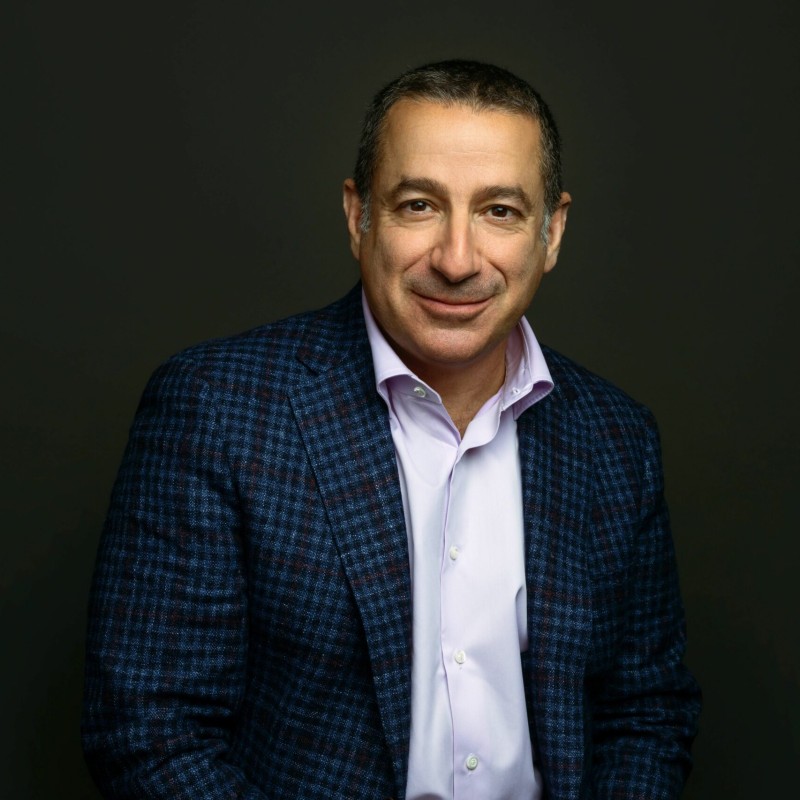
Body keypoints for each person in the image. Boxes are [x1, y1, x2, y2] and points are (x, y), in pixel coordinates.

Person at [83, 59, 701, 799]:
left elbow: (646, 714)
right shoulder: (218, 409)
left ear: (553, 231)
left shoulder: (616, 439)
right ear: (358, 217)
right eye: (418, 205)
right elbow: (150, 734)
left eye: (500, 211)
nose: (457, 260)